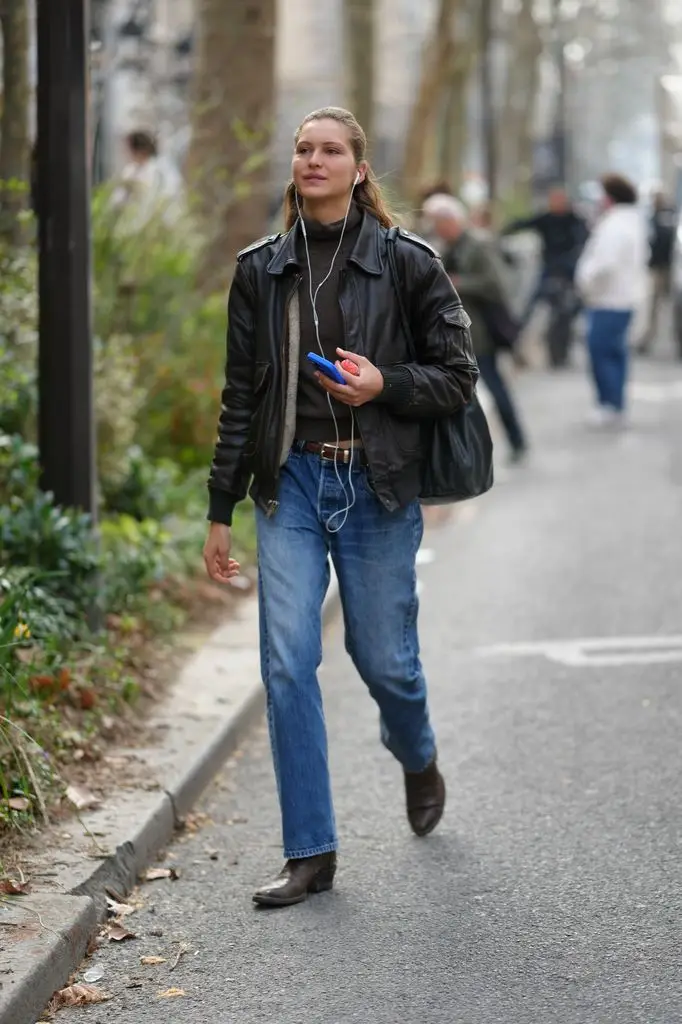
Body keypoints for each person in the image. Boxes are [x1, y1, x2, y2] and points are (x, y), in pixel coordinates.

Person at [203, 107, 478, 907]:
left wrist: (382, 383)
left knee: (384, 661)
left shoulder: (408, 264)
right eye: (302, 149)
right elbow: (239, 399)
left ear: (360, 169)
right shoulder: (262, 269)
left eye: (330, 150)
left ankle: (417, 752)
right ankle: (310, 853)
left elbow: (457, 375)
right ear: (292, 165)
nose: (313, 159)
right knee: (287, 662)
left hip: (377, 484)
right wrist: (220, 508)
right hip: (289, 484)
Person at [422, 193, 528, 463]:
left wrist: (458, 282)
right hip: (453, 334)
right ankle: (461, 455)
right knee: (458, 395)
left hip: (480, 335)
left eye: (439, 222)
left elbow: (496, 285)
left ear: (452, 220)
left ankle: (517, 441)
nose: (436, 228)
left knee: (494, 388)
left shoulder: (478, 245)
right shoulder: (444, 247)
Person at [575, 173, 648, 426]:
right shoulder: (629, 222)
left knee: (602, 353)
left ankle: (609, 404)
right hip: (619, 299)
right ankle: (615, 403)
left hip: (608, 300)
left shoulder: (616, 225)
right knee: (615, 354)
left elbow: (604, 265)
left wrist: (586, 281)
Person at [502, 186, 589, 332]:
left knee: (580, 291)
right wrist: (507, 229)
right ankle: (518, 327)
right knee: (535, 295)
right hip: (550, 263)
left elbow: (583, 236)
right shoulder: (546, 218)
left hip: (568, 263)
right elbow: (526, 223)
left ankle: (579, 318)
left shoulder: (574, 219)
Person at [111, 129, 184, 229]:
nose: (124, 153)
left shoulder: (160, 171)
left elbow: (166, 199)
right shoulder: (129, 171)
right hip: (131, 227)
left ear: (140, 150)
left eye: (127, 149)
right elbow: (117, 200)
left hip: (154, 228)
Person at [638, 190, 677, 354]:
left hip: (670, 266)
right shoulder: (653, 218)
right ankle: (648, 339)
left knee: (671, 305)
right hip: (659, 267)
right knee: (654, 305)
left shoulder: (669, 217)